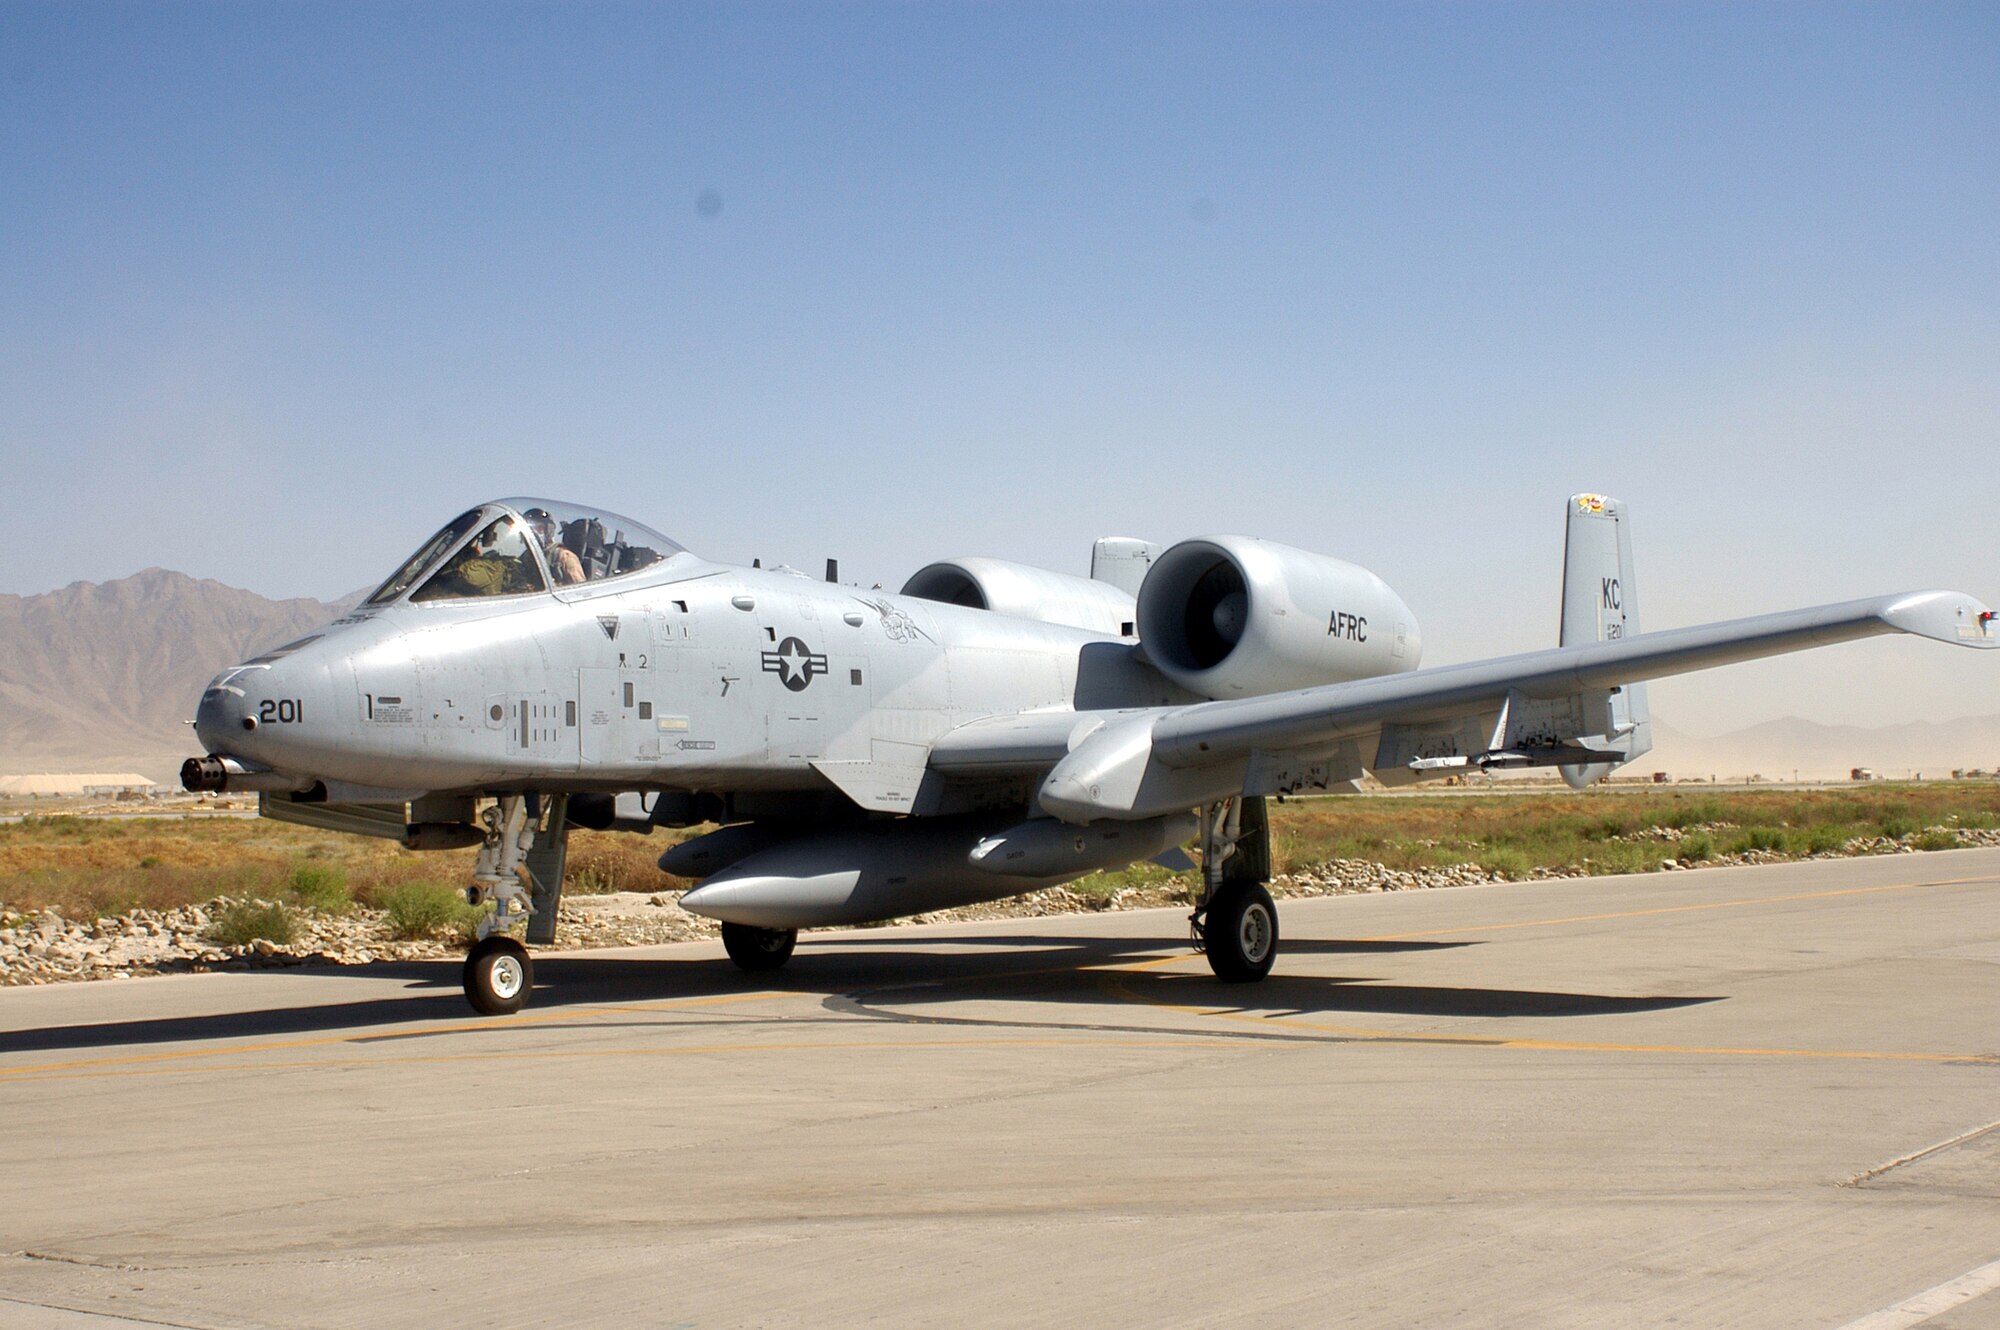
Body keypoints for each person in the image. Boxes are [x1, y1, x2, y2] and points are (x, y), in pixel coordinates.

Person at [525, 508, 587, 585]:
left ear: (549, 530)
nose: (534, 532)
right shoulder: (527, 558)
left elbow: (579, 590)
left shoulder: (564, 556)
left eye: (540, 528)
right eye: (530, 529)